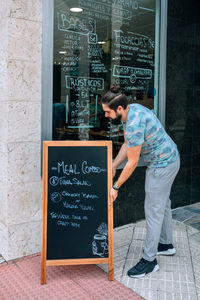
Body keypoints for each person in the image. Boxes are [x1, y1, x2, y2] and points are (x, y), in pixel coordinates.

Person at [102, 86, 180, 278]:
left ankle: (149, 260)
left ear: (119, 108)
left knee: (153, 210)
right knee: (163, 204)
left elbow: (133, 161)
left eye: (107, 112)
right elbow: (129, 143)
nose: (106, 116)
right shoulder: (132, 110)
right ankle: (165, 244)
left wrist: (115, 186)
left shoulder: (134, 123)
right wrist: (113, 164)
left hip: (162, 165)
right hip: (171, 158)